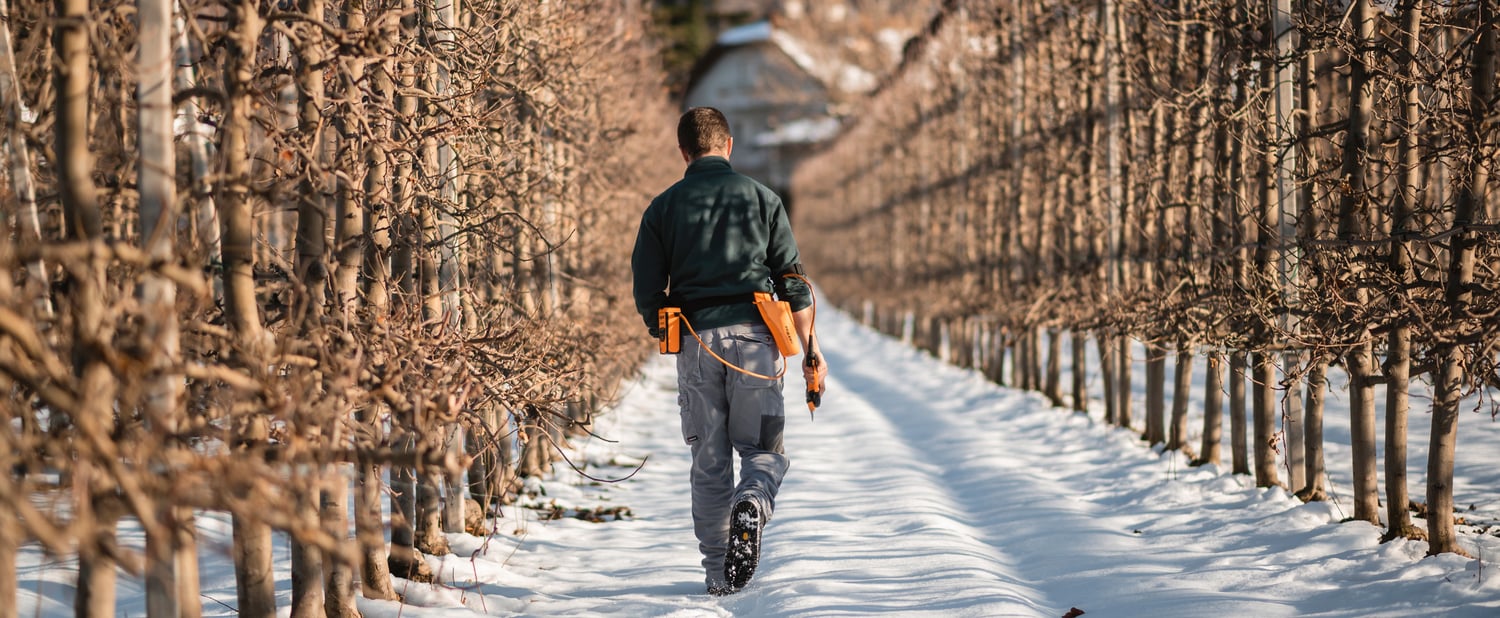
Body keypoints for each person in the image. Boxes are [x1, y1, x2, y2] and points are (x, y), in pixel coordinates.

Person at [631, 107, 828, 596]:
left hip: (697, 343)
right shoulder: (763, 199)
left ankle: (720, 574)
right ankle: (753, 504)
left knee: (709, 459)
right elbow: (794, 282)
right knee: (762, 450)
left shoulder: (662, 208)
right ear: (730, 146)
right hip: (757, 339)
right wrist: (811, 351)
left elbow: (647, 289)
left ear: (683, 152)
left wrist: (666, 322)